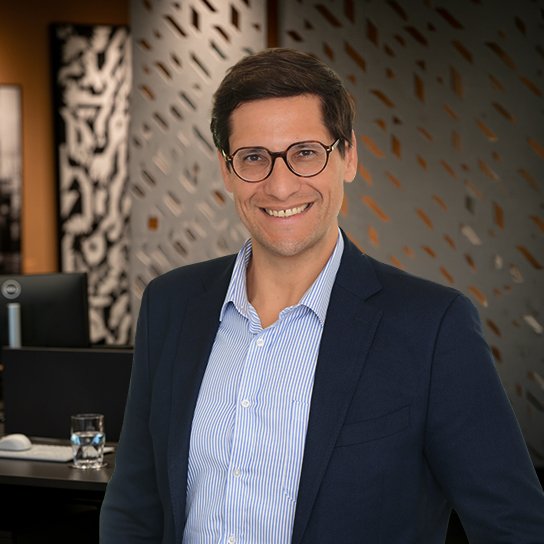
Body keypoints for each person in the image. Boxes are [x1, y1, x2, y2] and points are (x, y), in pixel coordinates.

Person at [100, 48, 544, 543]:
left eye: (306, 153)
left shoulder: (432, 327)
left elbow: (513, 525)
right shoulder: (170, 305)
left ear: (348, 156)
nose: (280, 186)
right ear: (226, 170)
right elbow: (134, 505)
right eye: (254, 158)